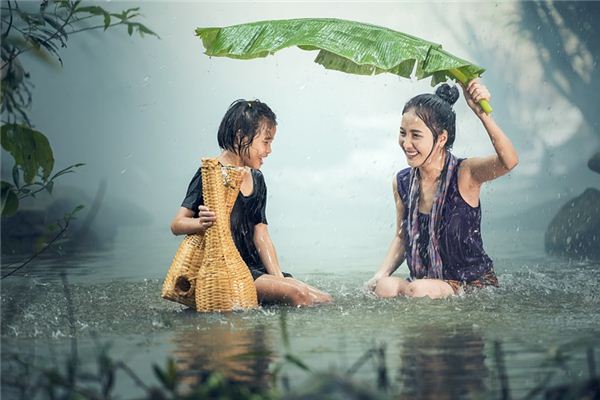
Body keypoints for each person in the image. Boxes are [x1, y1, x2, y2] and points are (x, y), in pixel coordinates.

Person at [171, 99, 332, 307]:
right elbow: (177, 224)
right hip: (230, 271)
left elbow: (261, 235)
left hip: (256, 269)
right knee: (299, 294)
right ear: (241, 136)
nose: (269, 150)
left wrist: (279, 279)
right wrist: (199, 224)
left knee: (324, 299)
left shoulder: (257, 178)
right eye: (266, 141)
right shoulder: (211, 174)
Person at [367, 80, 518, 299]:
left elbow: (509, 161)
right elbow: (402, 237)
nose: (406, 143)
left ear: (441, 139)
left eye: (415, 135)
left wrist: (482, 114)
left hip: (471, 284)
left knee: (418, 289)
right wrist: (379, 275)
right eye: (403, 133)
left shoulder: (465, 174)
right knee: (385, 287)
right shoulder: (402, 182)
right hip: (425, 284)